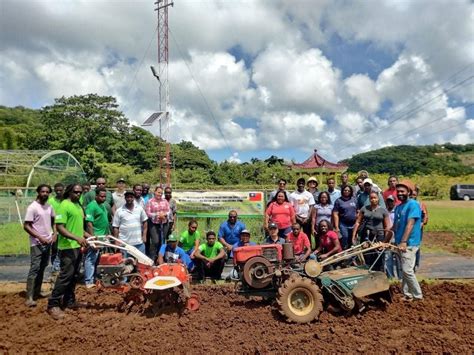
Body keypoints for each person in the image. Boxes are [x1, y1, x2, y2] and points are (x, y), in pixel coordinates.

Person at [47, 184, 90, 320]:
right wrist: (77, 238)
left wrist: (88, 236)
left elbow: (77, 227)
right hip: (67, 247)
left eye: (80, 192)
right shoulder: (64, 205)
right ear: (69, 192)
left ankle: (69, 301)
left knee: (74, 275)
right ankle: (53, 304)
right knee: (66, 276)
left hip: (77, 246)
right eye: (75, 192)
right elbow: (60, 228)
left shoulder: (78, 206)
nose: (78, 194)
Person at [24, 184, 56, 307]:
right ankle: (29, 297)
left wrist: (54, 234)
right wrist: (39, 237)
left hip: (48, 242)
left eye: (47, 192)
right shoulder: (33, 207)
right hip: (36, 243)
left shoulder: (49, 206)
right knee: (35, 268)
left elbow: (54, 221)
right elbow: (26, 226)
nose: (45, 194)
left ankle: (37, 292)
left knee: (43, 266)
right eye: (42, 191)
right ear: (38, 192)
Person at [392, 180, 423, 301]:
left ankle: (418, 296)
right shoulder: (399, 207)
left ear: (408, 192)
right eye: (398, 191)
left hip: (409, 243)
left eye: (402, 191)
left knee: (407, 270)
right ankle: (407, 294)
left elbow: (410, 224)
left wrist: (404, 241)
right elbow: (395, 226)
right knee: (404, 270)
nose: (399, 193)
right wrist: (385, 240)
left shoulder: (413, 204)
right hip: (400, 243)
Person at [352, 191, 391, 271]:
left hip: (379, 235)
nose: (373, 200)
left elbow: (387, 226)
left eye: (375, 198)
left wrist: (386, 240)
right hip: (366, 235)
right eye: (371, 198)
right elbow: (357, 222)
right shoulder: (364, 209)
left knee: (377, 255)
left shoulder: (383, 211)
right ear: (369, 199)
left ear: (378, 199)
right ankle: (367, 271)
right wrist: (354, 236)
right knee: (366, 255)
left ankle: (377, 273)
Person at [84, 188, 109, 289]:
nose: (103, 198)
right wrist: (93, 239)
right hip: (95, 236)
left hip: (102, 236)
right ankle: (88, 281)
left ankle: (95, 279)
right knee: (91, 258)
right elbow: (89, 223)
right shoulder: (91, 206)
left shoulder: (102, 205)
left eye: (105, 196)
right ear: (96, 196)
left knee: (98, 259)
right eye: (101, 196)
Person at [112, 191, 148, 257]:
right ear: (125, 198)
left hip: (139, 243)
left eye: (131, 197)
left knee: (141, 265)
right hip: (124, 244)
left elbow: (145, 221)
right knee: (125, 264)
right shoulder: (119, 211)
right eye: (127, 197)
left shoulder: (139, 209)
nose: (129, 199)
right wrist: (116, 241)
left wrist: (144, 235)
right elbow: (116, 227)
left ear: (133, 198)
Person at [145, 186, 170, 261]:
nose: (160, 194)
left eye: (161, 193)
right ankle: (152, 257)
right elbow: (148, 213)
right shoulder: (150, 201)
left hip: (164, 223)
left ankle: (161, 257)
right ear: (155, 192)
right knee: (155, 241)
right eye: (158, 192)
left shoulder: (165, 201)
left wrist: (164, 215)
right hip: (154, 224)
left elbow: (169, 211)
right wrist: (158, 215)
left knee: (162, 240)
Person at [332, 185, 357, 250]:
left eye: (348, 190)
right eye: (345, 190)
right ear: (342, 191)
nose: (347, 191)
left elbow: (358, 211)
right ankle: (344, 254)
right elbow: (335, 214)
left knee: (352, 240)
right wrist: (337, 227)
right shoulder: (338, 201)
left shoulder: (354, 199)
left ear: (351, 191)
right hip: (343, 224)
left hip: (353, 224)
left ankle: (352, 257)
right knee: (344, 238)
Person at [48, 183, 64, 276]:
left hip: (65, 229)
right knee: (55, 249)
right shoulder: (50, 201)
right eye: (56, 190)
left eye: (60, 190)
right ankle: (55, 268)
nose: (58, 192)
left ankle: (61, 267)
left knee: (63, 249)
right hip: (54, 228)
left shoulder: (66, 201)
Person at [384, 195, 402, 279]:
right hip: (388, 237)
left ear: (394, 201)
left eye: (391, 201)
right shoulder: (385, 212)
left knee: (399, 259)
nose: (390, 203)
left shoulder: (398, 211)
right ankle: (390, 278)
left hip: (397, 237)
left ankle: (400, 278)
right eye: (388, 201)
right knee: (388, 258)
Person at [412, 187, 428, 272]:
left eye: (414, 194)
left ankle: (416, 264)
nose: (412, 196)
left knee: (416, 246)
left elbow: (425, 217)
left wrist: (421, 224)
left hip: (418, 228)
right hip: (409, 227)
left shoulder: (421, 204)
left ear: (417, 195)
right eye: (411, 194)